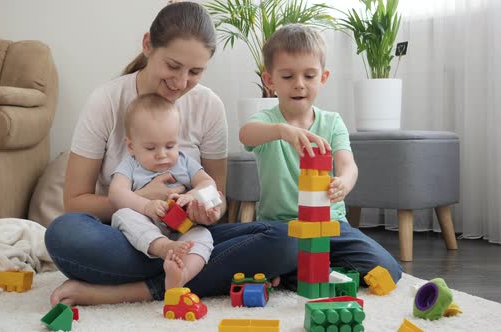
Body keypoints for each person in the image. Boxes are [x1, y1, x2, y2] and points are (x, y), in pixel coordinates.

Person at [44, 2, 318, 306]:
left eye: (195, 71)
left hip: (188, 235)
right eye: (173, 66)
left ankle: (132, 290)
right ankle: (194, 275)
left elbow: (217, 195)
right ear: (148, 45)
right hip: (127, 236)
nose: (180, 82)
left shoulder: (209, 106)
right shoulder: (107, 100)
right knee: (64, 235)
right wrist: (146, 199)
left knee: (289, 239)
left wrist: (207, 207)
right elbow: (74, 203)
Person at [239, 24, 403, 286]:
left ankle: (304, 272)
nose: (299, 85)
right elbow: (246, 134)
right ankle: (301, 270)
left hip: (331, 225)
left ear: (323, 78)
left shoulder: (332, 122)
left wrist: (344, 183)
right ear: (270, 81)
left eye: (309, 76)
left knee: (387, 271)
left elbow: (348, 165)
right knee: (285, 250)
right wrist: (283, 131)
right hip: (284, 229)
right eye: (287, 76)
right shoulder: (268, 121)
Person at [109, 93, 218, 291]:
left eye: (170, 145)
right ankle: (162, 247)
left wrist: (191, 196)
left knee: (204, 235)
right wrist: (146, 206)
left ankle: (181, 275)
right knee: (122, 215)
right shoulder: (130, 165)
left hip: (183, 229)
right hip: (145, 230)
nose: (162, 154)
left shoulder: (184, 161)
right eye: (151, 148)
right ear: (132, 146)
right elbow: (116, 193)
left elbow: (209, 184)